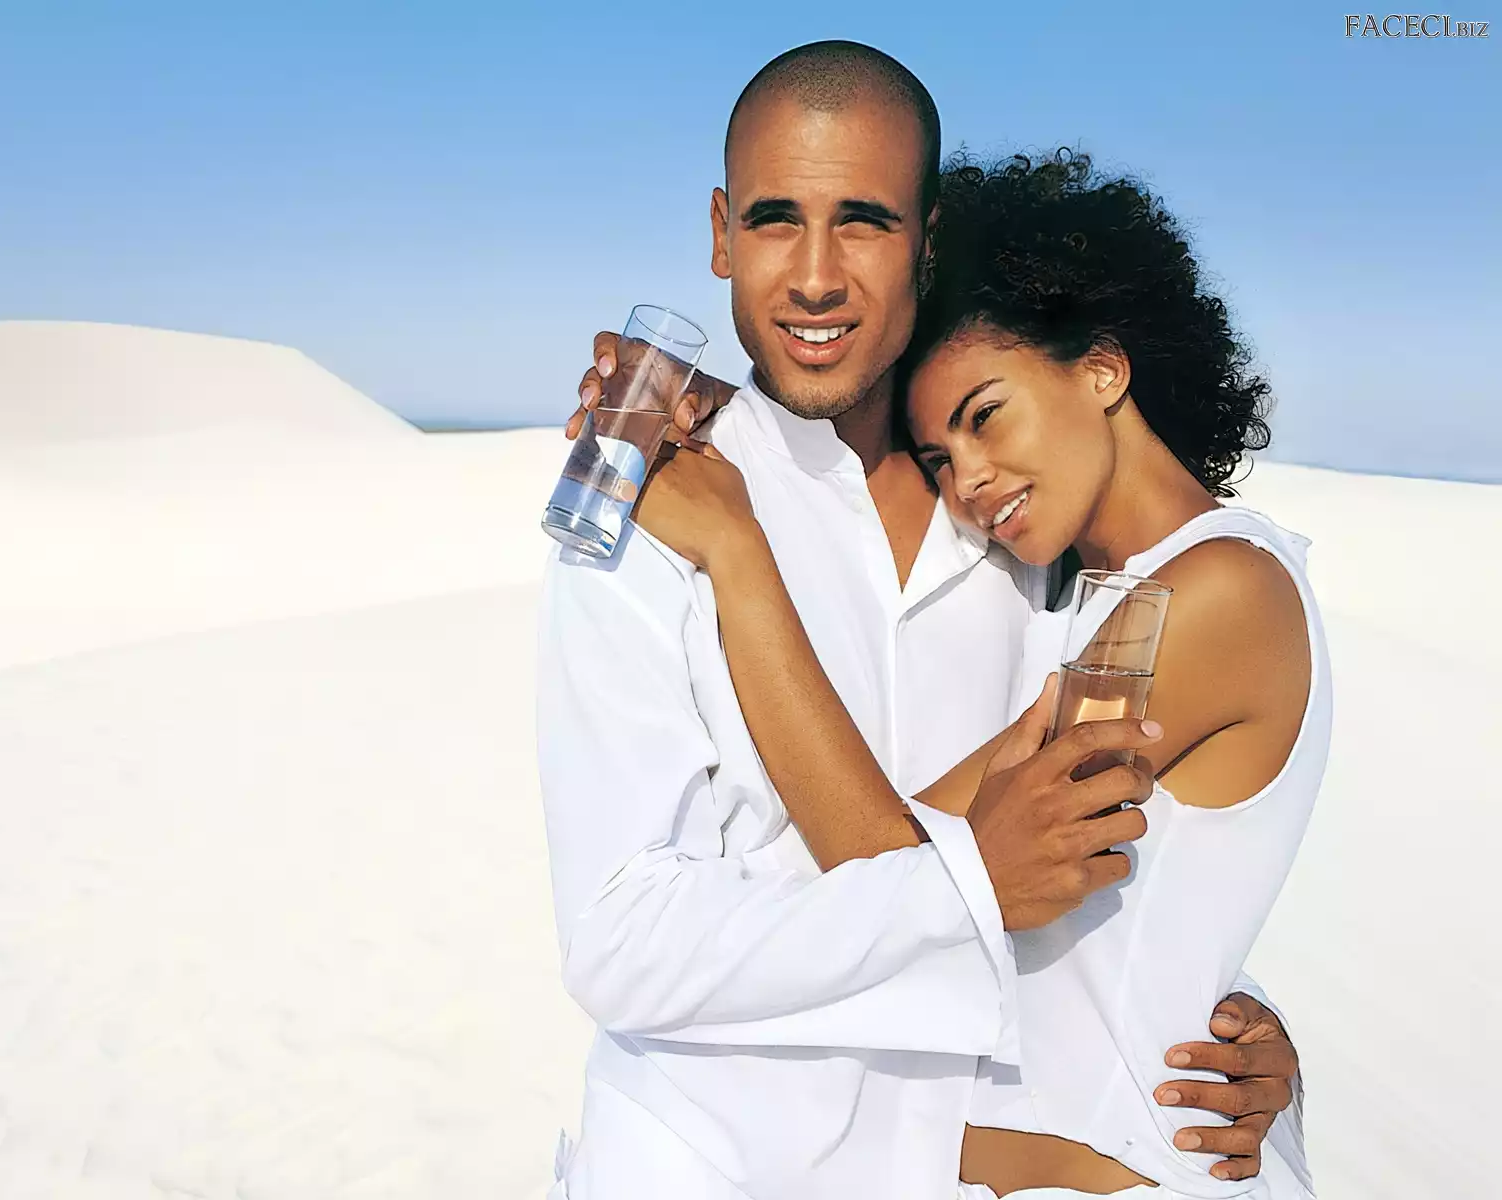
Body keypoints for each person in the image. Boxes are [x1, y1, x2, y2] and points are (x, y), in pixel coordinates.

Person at [537, 41, 1303, 1200]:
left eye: (863, 222)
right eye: (775, 220)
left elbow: (1115, 860)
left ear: (926, 241)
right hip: (710, 1166)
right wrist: (967, 888)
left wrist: (1233, 1019)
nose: (813, 278)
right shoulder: (647, 494)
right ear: (722, 232)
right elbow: (621, 942)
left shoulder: (1023, 531)